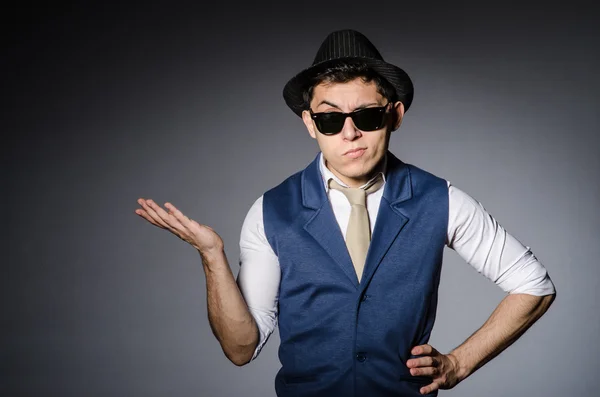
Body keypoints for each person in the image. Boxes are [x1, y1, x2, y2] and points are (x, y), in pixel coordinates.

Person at [135, 29, 556, 397]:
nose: (350, 133)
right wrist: (212, 256)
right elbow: (241, 349)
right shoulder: (271, 211)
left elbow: (533, 285)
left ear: (394, 116)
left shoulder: (440, 200)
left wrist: (459, 364)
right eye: (331, 120)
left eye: (368, 116)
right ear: (309, 123)